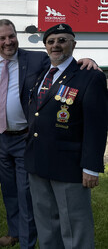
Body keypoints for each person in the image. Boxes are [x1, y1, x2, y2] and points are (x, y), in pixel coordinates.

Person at [0, 19, 100, 248]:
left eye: (11, 36)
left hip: (43, 147)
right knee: (27, 204)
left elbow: (95, 122)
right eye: (2, 38)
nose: (8, 42)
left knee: (59, 213)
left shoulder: (39, 60)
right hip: (14, 145)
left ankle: (28, 241)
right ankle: (16, 232)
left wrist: (90, 60)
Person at [24, 23, 107, 248]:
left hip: (69, 165)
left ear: (73, 44)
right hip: (38, 162)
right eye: (51, 42)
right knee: (46, 225)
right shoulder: (41, 75)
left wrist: (90, 167)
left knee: (75, 225)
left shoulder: (89, 76)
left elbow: (97, 126)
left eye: (62, 40)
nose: (56, 45)